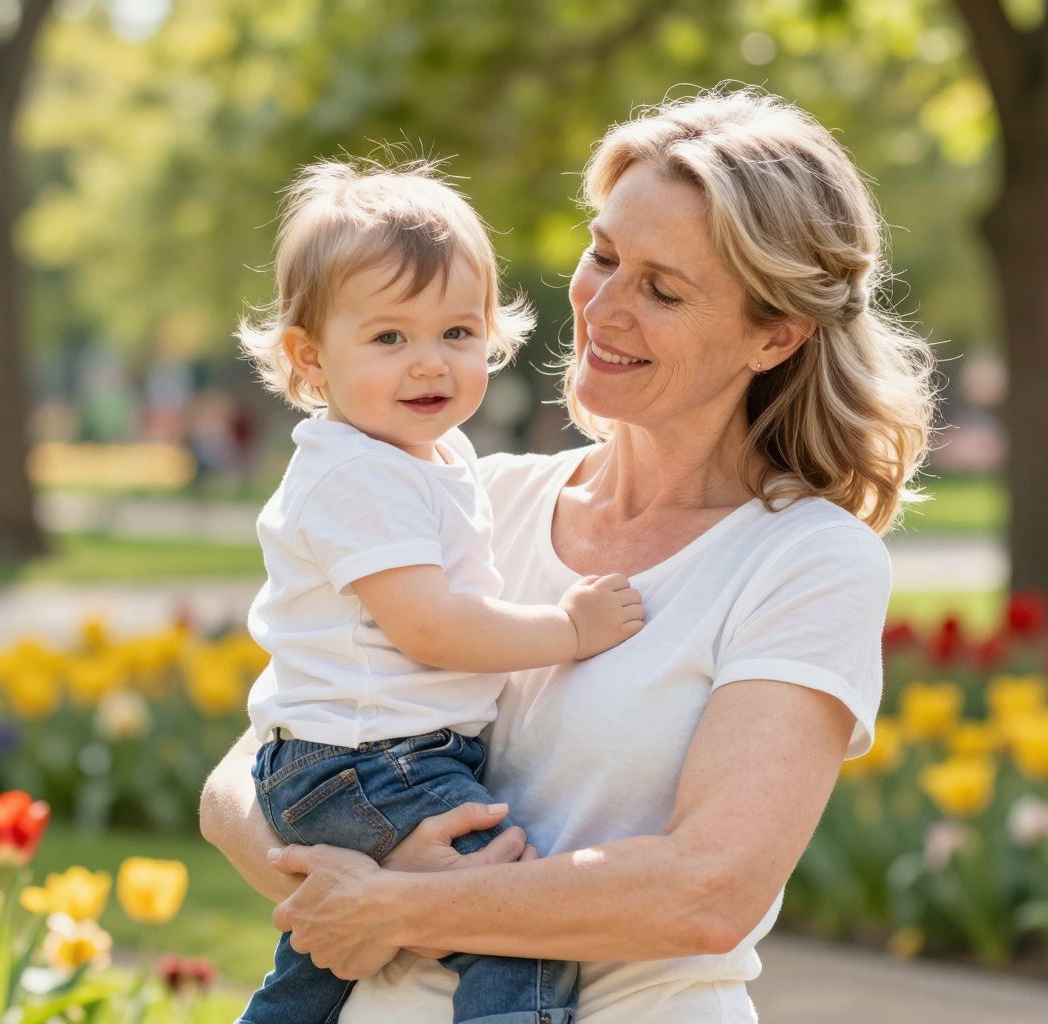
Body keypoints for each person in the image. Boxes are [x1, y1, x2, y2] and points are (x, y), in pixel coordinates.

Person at [202, 87, 937, 1023]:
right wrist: (362, 869)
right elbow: (247, 772)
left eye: (662, 289)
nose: (602, 306)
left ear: (776, 334)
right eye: (603, 256)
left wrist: (400, 907)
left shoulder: (805, 560)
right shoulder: (474, 494)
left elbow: (707, 892)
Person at [232, 157, 645, 1024]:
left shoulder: (430, 459)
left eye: (457, 334)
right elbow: (434, 628)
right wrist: (569, 629)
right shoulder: (359, 475)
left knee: (317, 967)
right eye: (389, 339)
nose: (429, 365)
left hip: (362, 758)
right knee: (512, 912)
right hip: (367, 763)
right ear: (311, 358)